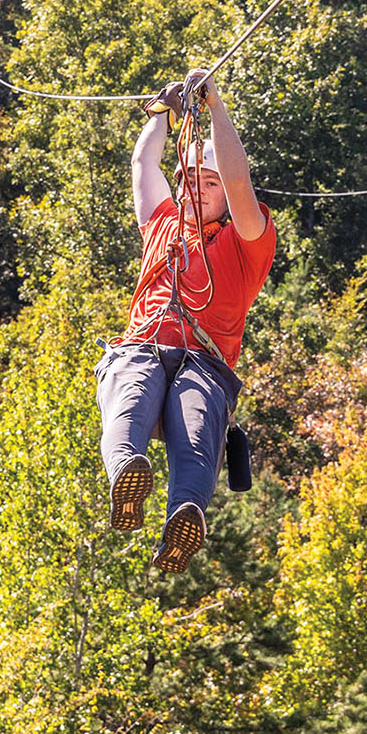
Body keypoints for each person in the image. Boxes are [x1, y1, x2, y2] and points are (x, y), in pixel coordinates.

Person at [94, 69, 276, 573]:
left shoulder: (247, 242)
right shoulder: (163, 225)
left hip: (204, 363)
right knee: (130, 390)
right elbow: (142, 163)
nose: (198, 189)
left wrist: (215, 107)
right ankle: (127, 476)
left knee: (196, 426)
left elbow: (239, 180)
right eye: (191, 179)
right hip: (143, 347)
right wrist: (160, 114)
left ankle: (184, 515)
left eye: (208, 182)